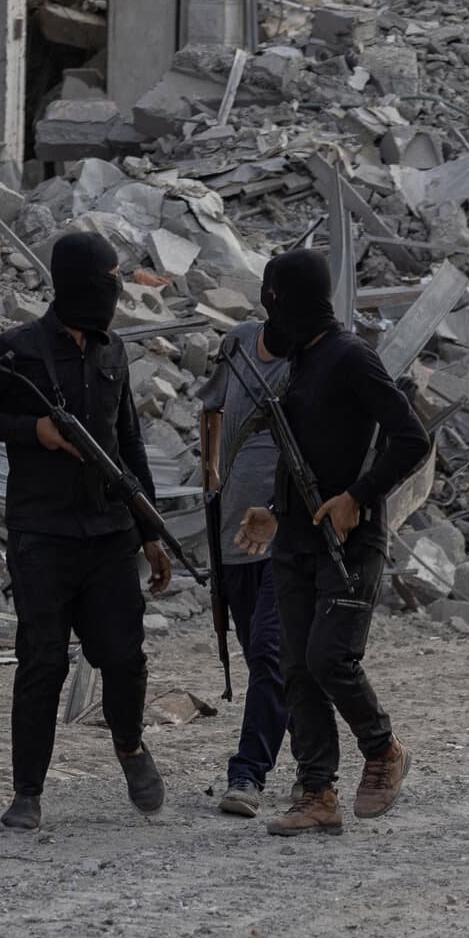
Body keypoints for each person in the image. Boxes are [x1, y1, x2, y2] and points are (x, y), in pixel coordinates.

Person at [0, 231, 171, 832]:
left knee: (123, 657)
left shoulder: (112, 350)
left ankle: (130, 748)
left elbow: (128, 445)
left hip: (110, 534)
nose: (115, 290)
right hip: (42, 534)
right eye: (106, 279)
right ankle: (28, 792)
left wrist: (149, 529)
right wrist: (31, 430)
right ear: (73, 284)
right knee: (41, 662)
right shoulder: (17, 350)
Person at [234, 250, 430, 836]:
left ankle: (384, 749)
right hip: (295, 537)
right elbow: (305, 458)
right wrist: (273, 511)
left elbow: (410, 438)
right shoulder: (302, 361)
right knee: (295, 667)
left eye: (273, 299)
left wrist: (357, 497)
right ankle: (317, 792)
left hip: (349, 538)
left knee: (329, 658)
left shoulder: (349, 357)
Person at [199, 321, 290, 818]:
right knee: (269, 665)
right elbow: (209, 407)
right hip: (233, 532)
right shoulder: (237, 344)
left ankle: (247, 772)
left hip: (286, 537)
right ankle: (337, 758)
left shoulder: (315, 356)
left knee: (269, 650)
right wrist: (212, 472)